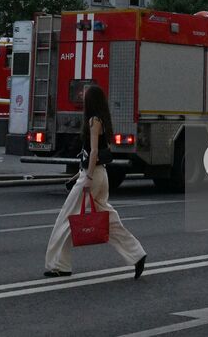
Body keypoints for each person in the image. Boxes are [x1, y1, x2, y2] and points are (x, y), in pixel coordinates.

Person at [44, 84, 146, 279]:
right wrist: (76, 177)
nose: (82, 96)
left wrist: (87, 179)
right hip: (100, 174)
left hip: (92, 177)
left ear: (91, 101)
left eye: (85, 94)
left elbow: (94, 152)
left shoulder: (93, 121)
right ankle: (137, 254)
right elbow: (97, 154)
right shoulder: (103, 120)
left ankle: (59, 265)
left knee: (65, 219)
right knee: (108, 220)